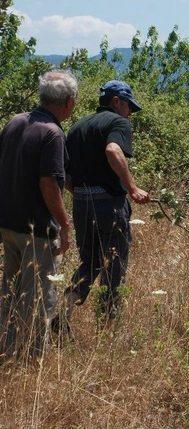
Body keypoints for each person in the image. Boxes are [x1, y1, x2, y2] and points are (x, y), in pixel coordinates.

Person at [0, 70, 77, 360]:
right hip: (36, 231)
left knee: (11, 291)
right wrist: (64, 224)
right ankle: (32, 359)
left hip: (7, 223)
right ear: (68, 103)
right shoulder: (53, 134)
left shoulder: (15, 122)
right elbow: (49, 183)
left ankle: (7, 350)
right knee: (38, 297)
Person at [64, 80, 149, 322]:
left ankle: (64, 309)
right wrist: (132, 188)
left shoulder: (77, 126)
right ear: (116, 102)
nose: (130, 113)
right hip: (109, 205)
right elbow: (113, 150)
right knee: (114, 264)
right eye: (129, 107)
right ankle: (108, 323)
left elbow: (64, 173)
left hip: (81, 204)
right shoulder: (118, 122)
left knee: (89, 263)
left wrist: (81, 193)